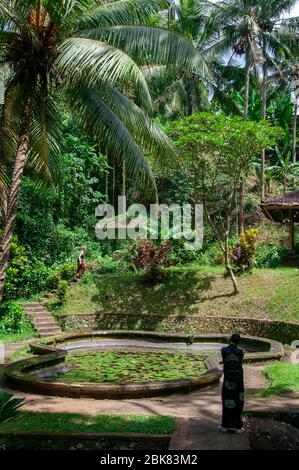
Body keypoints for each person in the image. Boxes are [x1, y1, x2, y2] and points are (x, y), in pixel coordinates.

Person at [218, 333, 245, 434]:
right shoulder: (241, 352)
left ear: (230, 340)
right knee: (239, 401)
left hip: (228, 380)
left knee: (227, 400)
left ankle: (224, 426)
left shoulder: (223, 350)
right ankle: (238, 427)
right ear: (239, 342)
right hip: (238, 380)